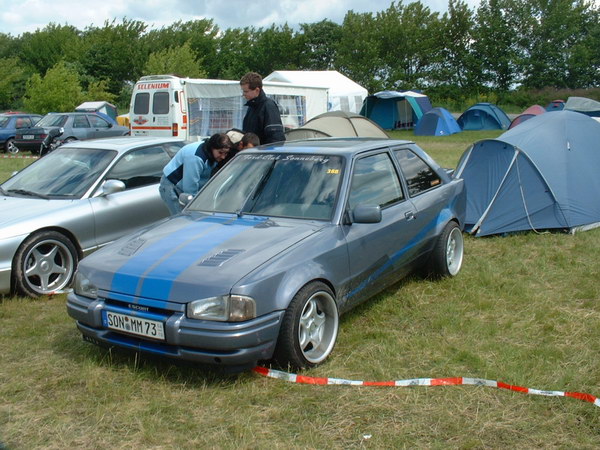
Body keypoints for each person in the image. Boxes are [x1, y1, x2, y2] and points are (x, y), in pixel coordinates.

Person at [159, 133, 232, 215]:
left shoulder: (210, 154)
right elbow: (190, 187)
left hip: (185, 187)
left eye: (225, 153)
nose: (223, 157)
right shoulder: (196, 157)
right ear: (212, 148)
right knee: (181, 219)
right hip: (172, 187)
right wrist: (196, 206)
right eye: (220, 152)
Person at [240, 72, 286, 144]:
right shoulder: (251, 107)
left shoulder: (269, 106)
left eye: (246, 91)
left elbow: (276, 138)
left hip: (263, 152)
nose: (243, 94)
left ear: (257, 90)